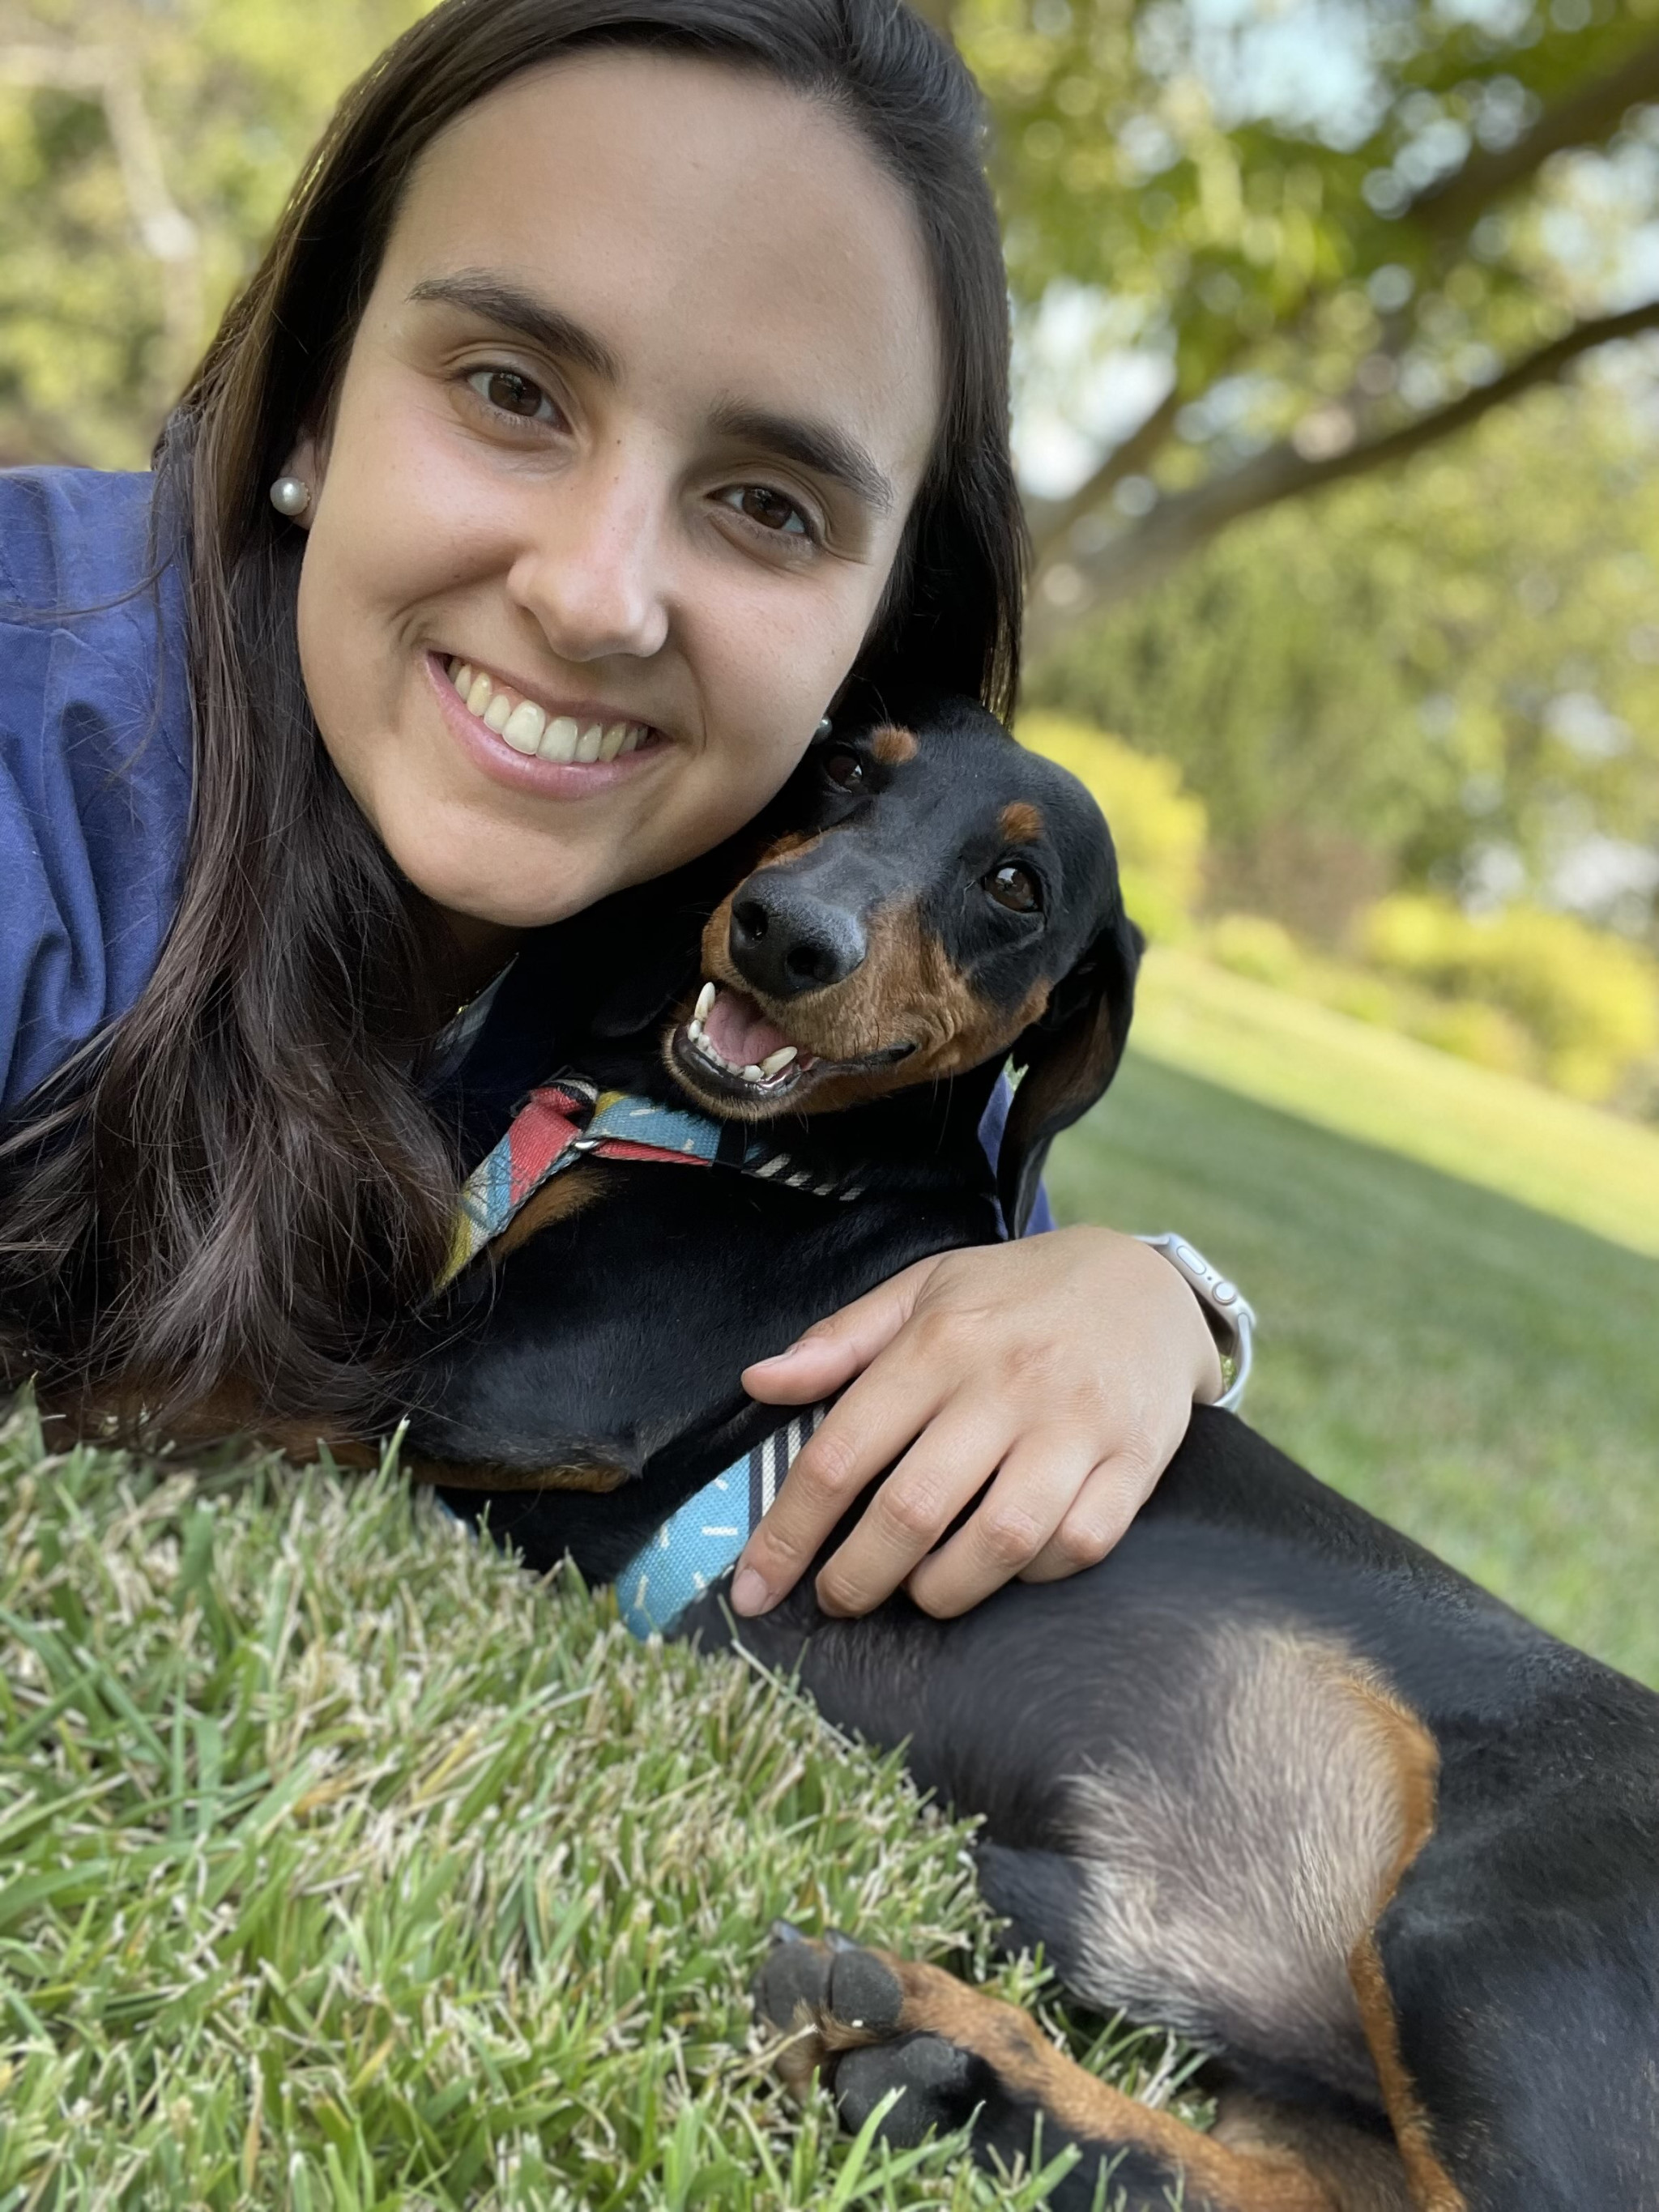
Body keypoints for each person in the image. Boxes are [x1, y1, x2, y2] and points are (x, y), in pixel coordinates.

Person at [0, 0, 1229, 1629]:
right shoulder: (32, 698)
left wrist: (1160, 1303)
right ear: (312, 398)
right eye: (512, 389)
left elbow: (976, 1241)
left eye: (766, 503)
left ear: (875, 623)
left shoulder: (739, 888)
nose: (592, 598)